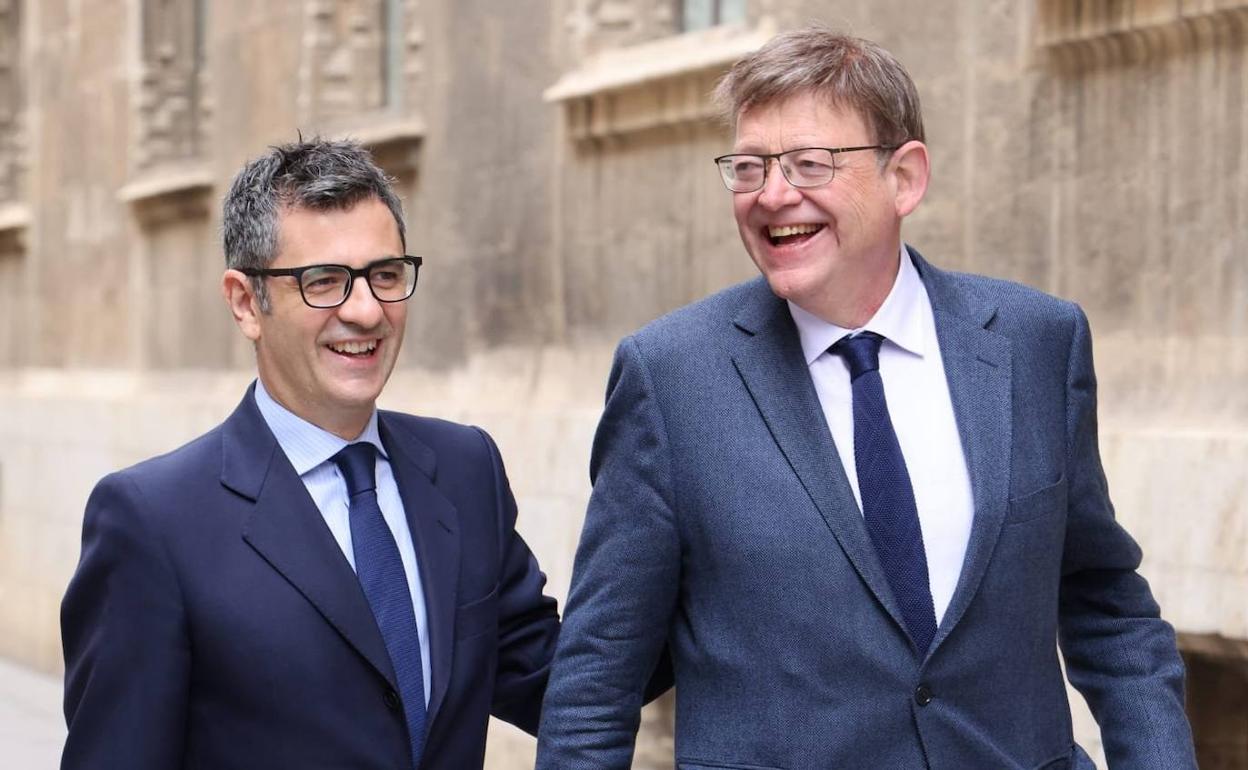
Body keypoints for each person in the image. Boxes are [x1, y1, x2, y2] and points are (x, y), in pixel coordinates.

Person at [536, 25, 1196, 769]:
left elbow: (1105, 602)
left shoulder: (1037, 342)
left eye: (809, 164)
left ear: (905, 177)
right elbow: (598, 679)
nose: (773, 195)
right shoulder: (670, 377)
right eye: (749, 167)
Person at [61, 139, 559, 769]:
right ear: (247, 303)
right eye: (324, 281)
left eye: (385, 275)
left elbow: (558, 683)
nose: (365, 310)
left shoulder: (465, 468)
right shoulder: (151, 521)